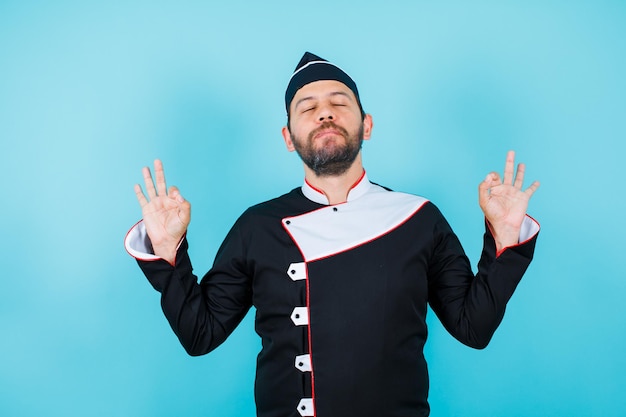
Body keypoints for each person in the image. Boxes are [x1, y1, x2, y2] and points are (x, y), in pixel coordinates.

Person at [125, 52, 540, 417]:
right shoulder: (257, 226)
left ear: (368, 125)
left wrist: (504, 240)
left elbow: (474, 327)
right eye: (308, 108)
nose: (325, 113)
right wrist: (167, 251)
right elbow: (200, 333)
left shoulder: (419, 218)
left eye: (339, 103)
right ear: (288, 138)